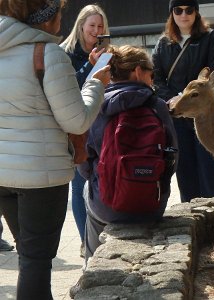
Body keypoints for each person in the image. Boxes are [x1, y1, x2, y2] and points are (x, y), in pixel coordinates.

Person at [0, 0, 110, 299]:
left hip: (3, 174)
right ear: (47, 17)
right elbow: (76, 120)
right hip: (41, 175)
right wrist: (95, 85)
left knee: (28, 256)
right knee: (35, 261)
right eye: (60, 11)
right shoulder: (48, 54)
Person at [78, 45, 178, 262]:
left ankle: (91, 264)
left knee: (88, 188)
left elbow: (84, 163)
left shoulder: (97, 104)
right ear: (138, 72)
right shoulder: (157, 105)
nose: (153, 79)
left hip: (108, 207)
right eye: (151, 73)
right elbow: (172, 157)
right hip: (151, 205)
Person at [152, 0, 214, 202]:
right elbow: (156, 78)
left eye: (189, 10)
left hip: (208, 115)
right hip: (177, 115)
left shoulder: (211, 38)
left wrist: (185, 96)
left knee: (213, 168)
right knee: (185, 170)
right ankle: (193, 220)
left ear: (196, 12)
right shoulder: (163, 44)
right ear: (172, 13)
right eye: (178, 10)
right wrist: (174, 98)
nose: (184, 14)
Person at [60, 4, 110, 258]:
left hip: (101, 125)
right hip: (77, 128)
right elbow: (67, 91)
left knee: (101, 182)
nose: (96, 31)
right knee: (80, 185)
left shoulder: (106, 53)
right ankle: (84, 241)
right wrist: (89, 68)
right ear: (81, 26)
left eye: (100, 26)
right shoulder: (64, 54)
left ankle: (100, 237)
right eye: (92, 25)